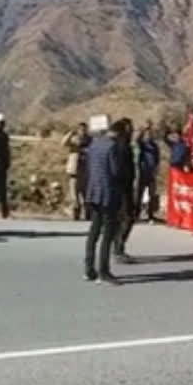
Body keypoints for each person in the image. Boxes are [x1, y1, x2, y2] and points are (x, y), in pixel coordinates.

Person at [84, 118, 123, 284]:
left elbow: (88, 167)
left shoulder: (94, 144)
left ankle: (89, 268)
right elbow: (115, 171)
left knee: (94, 231)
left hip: (93, 191)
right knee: (108, 233)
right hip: (108, 193)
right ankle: (104, 271)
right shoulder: (112, 146)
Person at [113, 118, 136, 263]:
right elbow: (121, 168)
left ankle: (118, 246)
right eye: (130, 128)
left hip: (123, 186)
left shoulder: (123, 144)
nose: (132, 130)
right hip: (123, 187)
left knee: (124, 217)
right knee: (127, 216)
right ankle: (118, 248)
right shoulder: (122, 146)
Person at [61, 123, 92, 220]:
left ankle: (88, 214)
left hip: (85, 171)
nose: (83, 131)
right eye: (81, 130)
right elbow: (63, 143)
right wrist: (70, 133)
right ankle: (76, 215)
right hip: (74, 171)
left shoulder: (89, 140)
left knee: (86, 194)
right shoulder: (74, 139)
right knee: (74, 195)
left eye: (84, 129)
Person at [135, 123, 160, 223]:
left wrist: (156, 168)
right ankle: (136, 214)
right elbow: (137, 140)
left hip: (151, 173)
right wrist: (143, 130)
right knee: (139, 194)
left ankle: (150, 214)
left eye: (150, 134)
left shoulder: (154, 146)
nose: (149, 136)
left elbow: (157, 158)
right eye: (147, 134)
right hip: (143, 172)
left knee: (151, 194)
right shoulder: (143, 145)